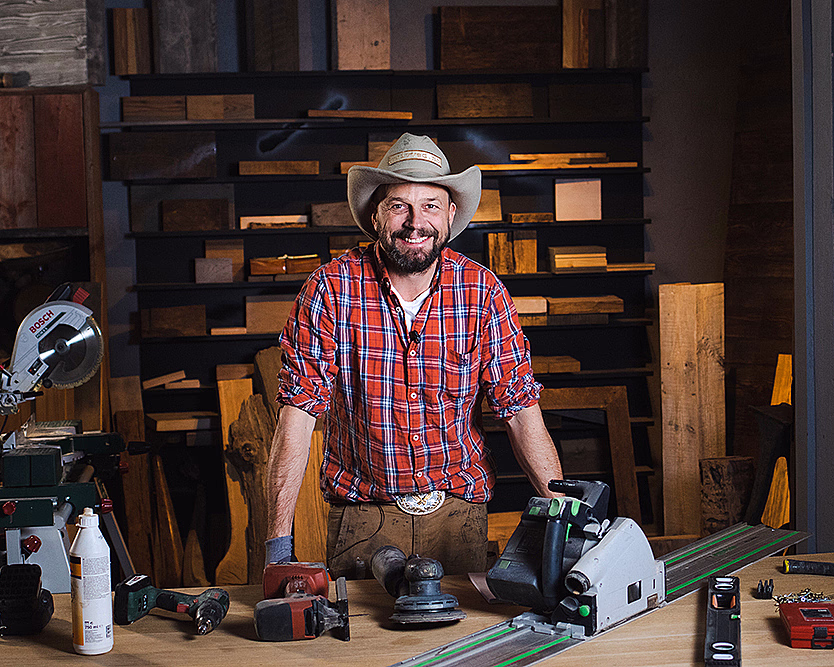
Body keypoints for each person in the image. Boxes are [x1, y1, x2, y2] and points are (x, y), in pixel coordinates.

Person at [265, 133, 563, 577]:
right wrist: (278, 548)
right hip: (364, 516)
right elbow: (297, 417)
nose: (414, 221)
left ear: (450, 215)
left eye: (430, 205)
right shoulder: (330, 290)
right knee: (359, 644)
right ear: (375, 215)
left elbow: (521, 413)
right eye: (399, 204)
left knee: (467, 643)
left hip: (459, 514)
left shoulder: (482, 292)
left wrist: (565, 520)